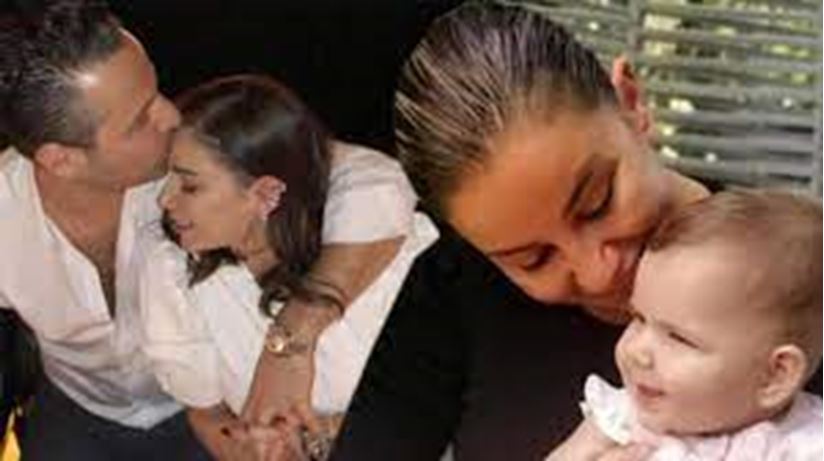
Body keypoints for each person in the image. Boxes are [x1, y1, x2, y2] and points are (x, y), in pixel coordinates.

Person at [327, 3, 816, 461]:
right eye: (534, 260)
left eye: (598, 203)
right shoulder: (452, 287)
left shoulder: (798, 276)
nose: (599, 274)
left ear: (629, 102)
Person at [0, 1, 409, 458]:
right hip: (80, 411)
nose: (170, 116)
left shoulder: (195, 154)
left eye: (156, 90)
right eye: (140, 119)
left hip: (222, 399)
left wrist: (294, 334)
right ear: (61, 160)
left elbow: (374, 182)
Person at [138, 74, 435, 460]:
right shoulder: (171, 271)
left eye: (190, 186)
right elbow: (207, 416)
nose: (164, 199)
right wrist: (257, 451)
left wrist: (319, 437)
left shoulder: (374, 241)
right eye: (167, 176)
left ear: (266, 193)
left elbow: (439, 397)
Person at [548, 189, 822, 460]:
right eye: (638, 318)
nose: (636, 352)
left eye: (678, 338)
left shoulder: (805, 447)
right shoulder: (622, 416)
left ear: (774, 375)